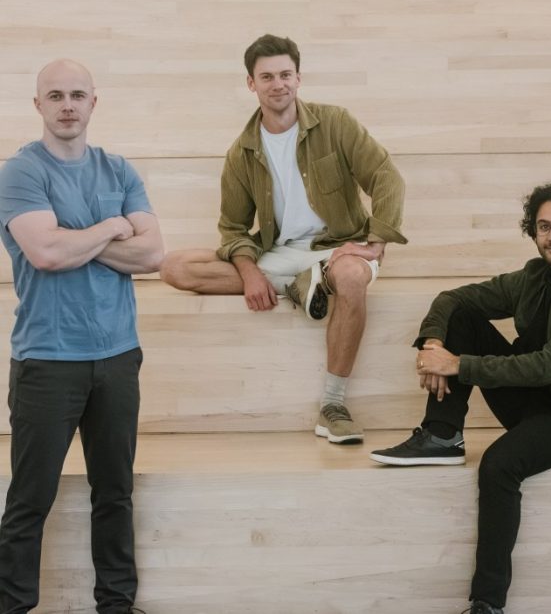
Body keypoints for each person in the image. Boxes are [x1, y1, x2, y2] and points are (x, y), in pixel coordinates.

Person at [160, 34, 406, 444]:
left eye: (286, 74)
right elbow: (233, 229)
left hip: (338, 247)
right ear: (251, 83)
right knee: (174, 267)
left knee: (350, 277)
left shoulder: (335, 123)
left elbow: (386, 176)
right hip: (280, 251)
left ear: (298, 78)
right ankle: (299, 284)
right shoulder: (241, 152)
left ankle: (333, 406)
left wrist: (376, 243)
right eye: (267, 76)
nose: (279, 84)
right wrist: (250, 273)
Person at [370, 182, 551, 614]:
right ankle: (442, 434)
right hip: (528, 401)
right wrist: (434, 343)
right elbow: (453, 298)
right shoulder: (533, 276)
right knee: (463, 315)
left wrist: (458, 365)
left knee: (498, 465)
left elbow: (548, 366)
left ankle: (487, 603)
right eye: (544, 226)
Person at [0, 59, 163, 614]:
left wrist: (77, 239)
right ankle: (13, 605)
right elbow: (45, 254)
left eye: (76, 94)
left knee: (115, 493)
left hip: (118, 356)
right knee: (30, 498)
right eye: (55, 96)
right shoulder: (21, 172)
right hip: (47, 360)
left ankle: (116, 604)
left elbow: (153, 254)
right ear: (38, 105)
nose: (67, 105)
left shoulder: (119, 170)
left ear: (94, 102)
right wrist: (113, 227)